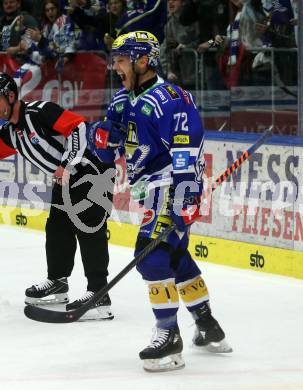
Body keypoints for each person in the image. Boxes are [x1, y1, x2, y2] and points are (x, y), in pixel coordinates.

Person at [87, 31, 232, 372]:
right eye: (114, 59)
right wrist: (103, 137)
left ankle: (168, 338)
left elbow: (186, 150)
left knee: (149, 257)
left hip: (173, 185)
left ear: (142, 60)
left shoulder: (171, 99)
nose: (115, 66)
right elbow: (106, 154)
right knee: (176, 259)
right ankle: (209, 326)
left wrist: (186, 197)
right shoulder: (123, 100)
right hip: (149, 189)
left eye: (122, 59)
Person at [0, 72, 118, 321]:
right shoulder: (10, 132)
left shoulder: (39, 111)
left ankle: (99, 294)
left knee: (89, 229)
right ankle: (58, 282)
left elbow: (78, 125)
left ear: (10, 96)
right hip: (64, 182)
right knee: (57, 229)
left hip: (90, 172)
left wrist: (66, 164)